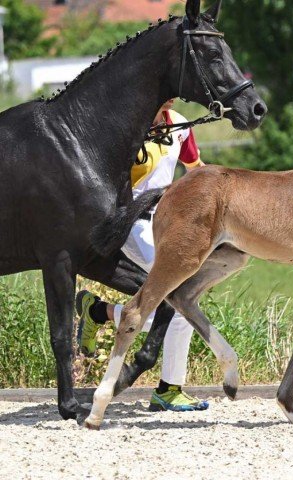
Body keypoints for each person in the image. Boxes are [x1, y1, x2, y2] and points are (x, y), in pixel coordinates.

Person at [76, 99, 208, 412]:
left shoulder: (182, 125)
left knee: (178, 305)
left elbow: (197, 171)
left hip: (166, 224)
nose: (171, 98)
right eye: (165, 92)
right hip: (131, 224)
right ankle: (168, 389)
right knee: (178, 300)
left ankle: (100, 312)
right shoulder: (128, 123)